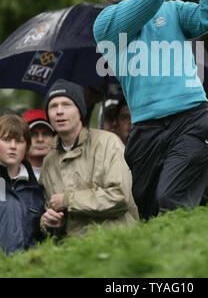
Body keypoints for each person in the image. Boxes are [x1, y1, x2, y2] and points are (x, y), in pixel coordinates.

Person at [93, 0, 208, 219]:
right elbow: (148, 1)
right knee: (150, 209)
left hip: (190, 118)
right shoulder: (105, 24)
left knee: (171, 197)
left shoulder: (173, 10)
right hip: (146, 131)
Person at [40, 79, 138, 238]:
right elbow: (50, 208)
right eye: (53, 106)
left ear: (80, 110)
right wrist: (49, 223)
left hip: (117, 244)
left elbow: (120, 196)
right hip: (75, 252)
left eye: (66, 105)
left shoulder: (108, 143)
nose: (59, 111)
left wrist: (68, 200)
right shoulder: (49, 161)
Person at [0, 115, 45, 255]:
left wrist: (51, 226)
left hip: (26, 269)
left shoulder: (36, 189)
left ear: (26, 147)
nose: (13, 146)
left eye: (19, 141)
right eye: (6, 140)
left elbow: (41, 238)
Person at [23, 109, 55, 180]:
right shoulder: (11, 173)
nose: (40, 139)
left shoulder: (66, 172)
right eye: (33, 134)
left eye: (45, 134)